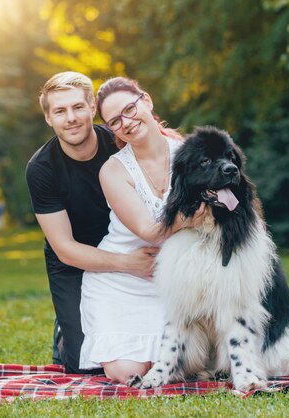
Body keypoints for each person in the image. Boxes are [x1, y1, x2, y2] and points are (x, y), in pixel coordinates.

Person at [25, 72, 159, 374]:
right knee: (85, 364)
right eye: (60, 111)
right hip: (74, 259)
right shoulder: (41, 169)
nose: (70, 118)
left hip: (129, 243)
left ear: (91, 108)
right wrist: (127, 264)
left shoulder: (121, 144)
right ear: (48, 118)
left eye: (77, 107)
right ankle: (67, 327)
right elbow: (64, 248)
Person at [79, 77, 203, 383]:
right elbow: (150, 230)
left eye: (130, 109)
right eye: (115, 121)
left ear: (146, 101)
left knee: (189, 365)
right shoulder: (113, 170)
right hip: (122, 280)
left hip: (176, 280)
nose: (127, 122)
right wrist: (196, 216)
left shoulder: (191, 154)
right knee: (128, 371)